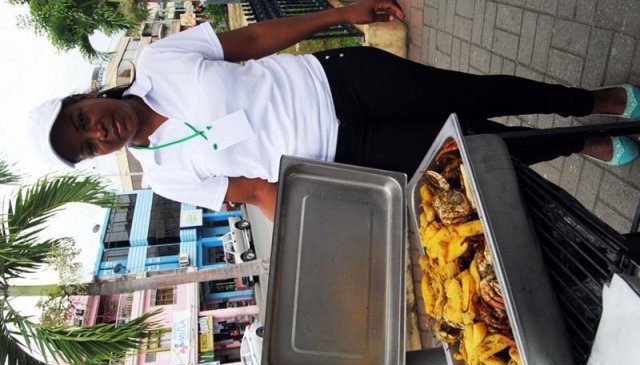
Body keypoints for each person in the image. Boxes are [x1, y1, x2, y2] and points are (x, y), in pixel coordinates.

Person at [29, 0, 639, 222]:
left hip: (346, 82)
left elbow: (253, 40)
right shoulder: (166, 177)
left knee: (475, 94)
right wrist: (319, 245)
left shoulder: (161, 59)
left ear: (85, 98)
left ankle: (590, 102)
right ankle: (582, 143)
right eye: (88, 147)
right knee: (481, 154)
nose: (98, 133)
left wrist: (342, 14)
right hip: (350, 154)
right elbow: (258, 192)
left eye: (82, 121)